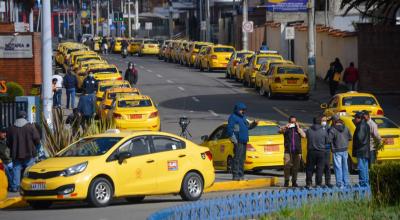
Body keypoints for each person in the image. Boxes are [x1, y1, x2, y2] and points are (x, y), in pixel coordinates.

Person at [7, 111, 40, 192]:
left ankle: (16, 187)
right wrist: (35, 147)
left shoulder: (11, 128)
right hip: (29, 153)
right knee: (29, 170)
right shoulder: (30, 127)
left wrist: (14, 148)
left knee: (16, 170)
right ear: (25, 117)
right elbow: (37, 139)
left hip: (16, 154)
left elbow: (8, 142)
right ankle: (31, 186)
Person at [226, 102, 258, 181]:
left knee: (242, 159)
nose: (243, 111)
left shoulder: (243, 117)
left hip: (244, 140)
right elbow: (229, 130)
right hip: (238, 141)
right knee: (237, 158)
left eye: (244, 110)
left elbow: (248, 127)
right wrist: (234, 141)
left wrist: (254, 124)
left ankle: (241, 175)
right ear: (237, 109)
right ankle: (235, 175)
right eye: (241, 110)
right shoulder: (233, 117)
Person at [281, 116, 306, 187]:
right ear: (289, 122)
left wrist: (298, 128)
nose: (293, 123)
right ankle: (286, 181)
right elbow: (280, 131)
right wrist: (285, 127)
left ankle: (294, 181)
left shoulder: (298, 129)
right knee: (287, 166)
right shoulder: (286, 129)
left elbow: (304, 136)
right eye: (292, 122)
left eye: (294, 122)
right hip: (288, 151)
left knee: (296, 167)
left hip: (297, 151)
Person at [305, 116, 329, 188]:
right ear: (320, 122)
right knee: (320, 168)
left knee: (310, 168)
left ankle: (309, 183)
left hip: (311, 152)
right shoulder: (323, 131)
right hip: (321, 152)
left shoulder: (309, 130)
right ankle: (318, 183)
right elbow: (327, 141)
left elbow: (307, 137)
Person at [328, 115, 352, 188]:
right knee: (345, 167)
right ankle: (346, 183)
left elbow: (329, 140)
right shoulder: (346, 127)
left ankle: (340, 184)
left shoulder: (332, 129)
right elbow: (350, 138)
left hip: (336, 150)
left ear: (333, 121)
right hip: (345, 150)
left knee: (338, 167)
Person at [353, 112, 371, 186]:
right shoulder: (366, 124)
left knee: (361, 168)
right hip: (365, 150)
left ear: (359, 118)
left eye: (355, 118)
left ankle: (363, 183)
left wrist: (356, 146)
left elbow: (360, 139)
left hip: (361, 150)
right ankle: (366, 182)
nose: (354, 119)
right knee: (365, 168)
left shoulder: (361, 126)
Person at [321, 116, 332, 187]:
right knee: (320, 166)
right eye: (322, 120)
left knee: (327, 166)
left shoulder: (329, 128)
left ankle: (328, 182)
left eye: (325, 120)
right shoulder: (318, 128)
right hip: (320, 149)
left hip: (327, 149)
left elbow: (330, 138)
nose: (324, 122)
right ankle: (319, 182)